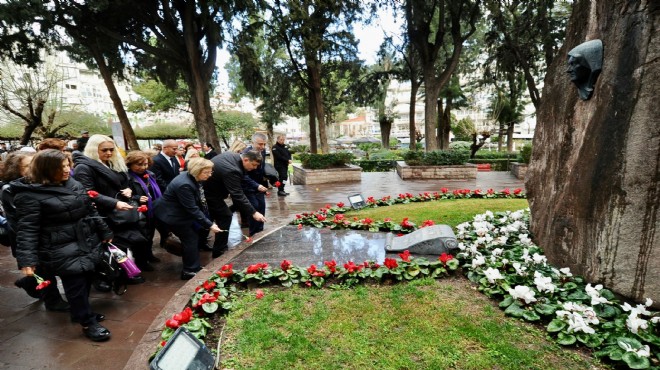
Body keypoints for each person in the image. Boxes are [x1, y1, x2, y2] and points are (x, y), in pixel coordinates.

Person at [11, 149, 113, 341]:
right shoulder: (29, 195)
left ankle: (80, 312)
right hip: (59, 248)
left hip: (85, 240)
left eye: (68, 165)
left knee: (85, 281)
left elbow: (89, 208)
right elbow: (27, 229)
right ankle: (87, 322)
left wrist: (104, 231)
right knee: (75, 285)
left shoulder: (72, 183)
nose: (67, 170)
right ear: (47, 169)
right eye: (62, 167)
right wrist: (27, 260)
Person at [72, 134, 146, 286]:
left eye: (111, 150)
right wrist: (114, 202)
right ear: (94, 150)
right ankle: (114, 276)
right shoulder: (83, 167)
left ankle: (124, 273)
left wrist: (128, 190)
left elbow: (124, 183)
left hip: (119, 212)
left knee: (122, 245)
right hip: (103, 214)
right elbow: (87, 192)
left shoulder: (111, 163)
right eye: (104, 150)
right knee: (112, 246)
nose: (108, 153)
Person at [1, 151, 69, 310]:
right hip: (27, 238)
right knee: (43, 269)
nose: (32, 169)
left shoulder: (37, 183)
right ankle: (53, 301)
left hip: (43, 235)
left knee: (43, 268)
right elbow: (21, 220)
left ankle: (28, 281)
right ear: (15, 169)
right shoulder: (9, 189)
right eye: (27, 166)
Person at [154, 158, 222, 280]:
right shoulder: (185, 184)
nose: (210, 175)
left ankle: (193, 267)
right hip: (172, 215)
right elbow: (192, 208)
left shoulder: (191, 177)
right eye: (207, 172)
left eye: (210, 172)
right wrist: (210, 225)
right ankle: (189, 270)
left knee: (192, 238)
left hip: (178, 212)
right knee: (190, 239)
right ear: (197, 170)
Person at [205, 150, 267, 258]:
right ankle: (219, 251)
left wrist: (257, 186)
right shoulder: (232, 170)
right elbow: (237, 194)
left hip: (212, 191)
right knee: (225, 216)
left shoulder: (235, 157)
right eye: (254, 165)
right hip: (209, 193)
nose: (255, 168)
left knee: (211, 218)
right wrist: (254, 212)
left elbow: (243, 178)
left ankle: (203, 242)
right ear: (246, 159)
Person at [125, 151, 163, 271]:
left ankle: (149, 254)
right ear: (130, 164)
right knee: (141, 237)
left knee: (150, 234)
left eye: (145, 164)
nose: (143, 167)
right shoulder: (127, 177)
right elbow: (125, 194)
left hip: (152, 209)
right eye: (139, 165)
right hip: (138, 211)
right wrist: (137, 198)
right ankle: (141, 261)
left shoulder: (150, 174)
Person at [241, 133, 269, 236]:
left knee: (261, 207)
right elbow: (243, 175)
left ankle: (260, 232)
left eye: (264, 144)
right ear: (252, 142)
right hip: (248, 186)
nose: (262, 147)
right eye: (260, 144)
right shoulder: (246, 154)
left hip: (259, 186)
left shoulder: (263, 151)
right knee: (254, 208)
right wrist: (256, 185)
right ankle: (253, 234)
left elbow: (261, 169)